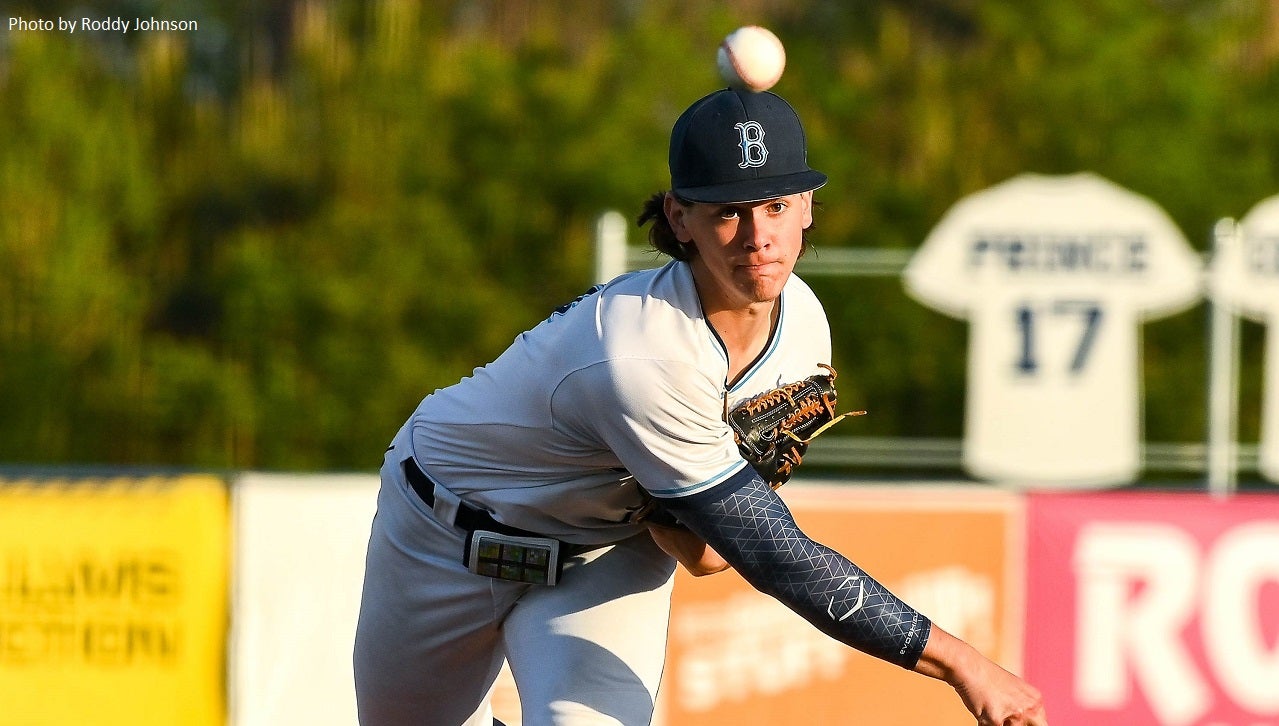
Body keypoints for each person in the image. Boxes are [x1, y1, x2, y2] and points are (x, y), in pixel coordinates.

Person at [353, 87, 1048, 726]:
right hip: (442, 536)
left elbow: (709, 555)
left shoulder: (803, 325)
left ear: (807, 207)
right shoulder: (640, 351)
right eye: (728, 213)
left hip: (605, 552)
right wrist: (962, 662)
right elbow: (776, 560)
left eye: (776, 206)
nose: (758, 239)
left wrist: (699, 515)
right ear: (680, 220)